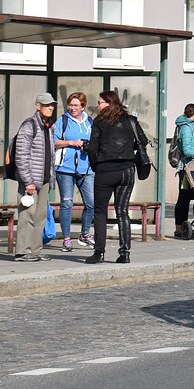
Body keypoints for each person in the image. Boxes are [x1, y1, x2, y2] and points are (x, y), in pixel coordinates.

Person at [85, 91, 146, 264]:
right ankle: (125, 253)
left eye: (100, 102)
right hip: (127, 170)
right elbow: (142, 141)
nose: (97, 106)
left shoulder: (99, 122)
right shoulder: (130, 120)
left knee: (100, 211)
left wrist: (95, 165)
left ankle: (99, 252)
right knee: (122, 212)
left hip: (105, 169)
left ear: (108, 103)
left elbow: (92, 149)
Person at [13, 92, 56, 262]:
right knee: (27, 214)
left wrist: (50, 178)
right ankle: (22, 251)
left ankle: (35, 251)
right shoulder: (29, 125)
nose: (50, 107)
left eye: (52, 105)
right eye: (46, 105)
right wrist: (28, 181)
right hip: (31, 180)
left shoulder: (49, 126)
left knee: (40, 216)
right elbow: (21, 155)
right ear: (38, 106)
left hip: (45, 179)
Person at [53, 92, 94, 253]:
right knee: (67, 202)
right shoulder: (63, 120)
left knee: (91, 203)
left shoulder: (90, 122)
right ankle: (66, 239)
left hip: (86, 168)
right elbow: (54, 141)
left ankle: (84, 234)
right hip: (65, 168)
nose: (72, 108)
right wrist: (71, 142)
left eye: (76, 105)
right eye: (70, 104)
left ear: (83, 107)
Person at [172, 104, 194, 239]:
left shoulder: (187, 126)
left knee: (187, 198)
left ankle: (184, 228)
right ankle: (180, 229)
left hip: (190, 166)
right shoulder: (186, 128)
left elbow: (188, 144)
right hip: (186, 168)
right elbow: (186, 150)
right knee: (184, 198)